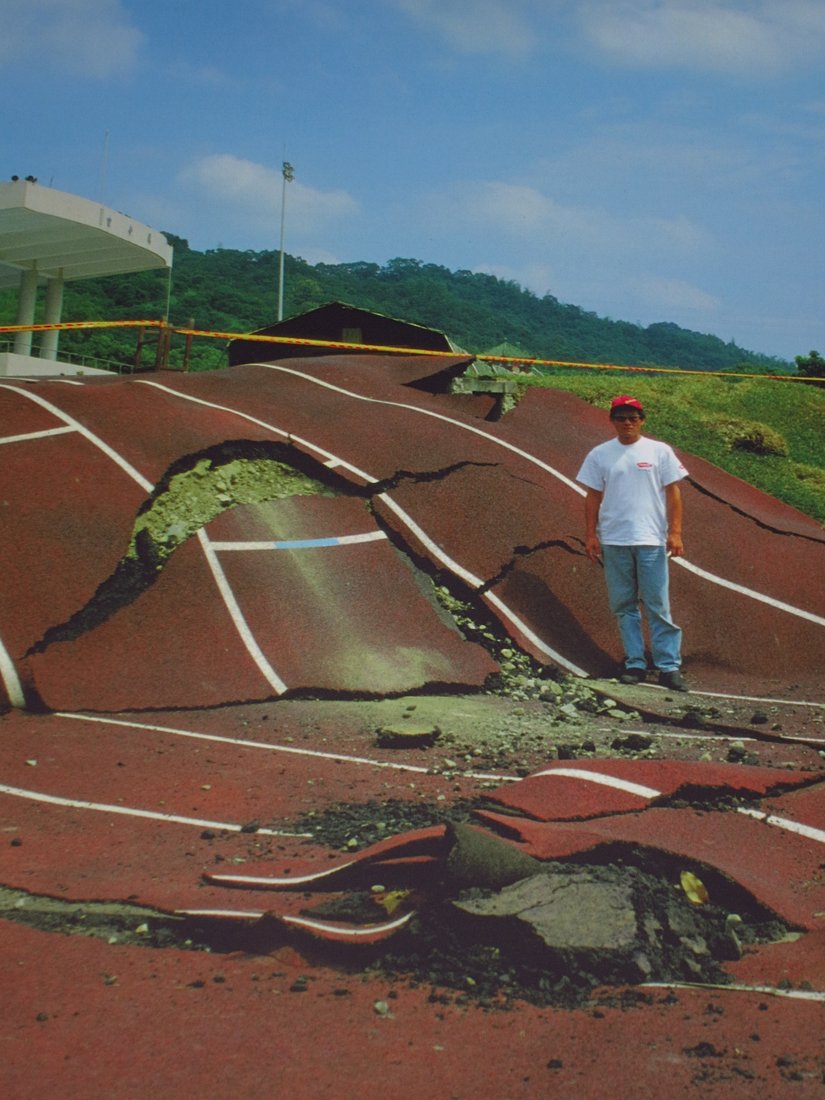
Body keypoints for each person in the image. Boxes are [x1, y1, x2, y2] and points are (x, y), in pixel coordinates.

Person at [576, 395, 689, 691]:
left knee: (657, 603)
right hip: (615, 540)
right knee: (623, 605)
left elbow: (673, 492)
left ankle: (668, 666)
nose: (627, 422)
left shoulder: (659, 451)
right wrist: (591, 534)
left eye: (633, 417)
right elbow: (593, 498)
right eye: (621, 417)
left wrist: (674, 532)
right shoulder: (600, 454)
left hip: (650, 539)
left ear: (642, 420)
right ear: (612, 420)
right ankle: (635, 662)